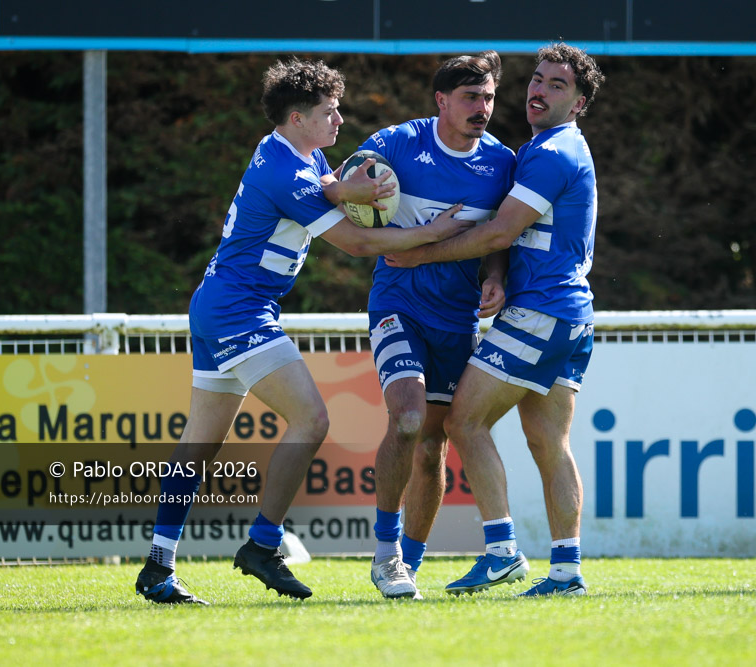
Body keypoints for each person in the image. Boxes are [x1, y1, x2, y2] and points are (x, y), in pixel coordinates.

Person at [134, 57, 473, 605]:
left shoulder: (299, 153)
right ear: (297, 117)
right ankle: (262, 544)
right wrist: (434, 232)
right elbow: (358, 244)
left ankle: (157, 567)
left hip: (220, 303)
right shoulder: (283, 170)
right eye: (329, 112)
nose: (340, 122)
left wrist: (343, 191)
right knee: (312, 418)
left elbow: (324, 187)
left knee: (199, 444)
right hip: (238, 310)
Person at [385, 42, 606, 596]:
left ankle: (503, 550)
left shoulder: (552, 153)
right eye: (537, 79)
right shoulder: (545, 148)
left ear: (579, 104)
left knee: (463, 421)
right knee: (548, 442)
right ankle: (567, 571)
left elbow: (500, 230)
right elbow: (509, 240)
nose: (540, 89)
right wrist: (498, 275)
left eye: (558, 85)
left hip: (542, 312)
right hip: (570, 314)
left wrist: (418, 252)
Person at [354, 52, 516, 599]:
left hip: (458, 320)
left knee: (430, 447)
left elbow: (500, 233)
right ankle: (385, 555)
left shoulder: (500, 162)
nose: (483, 108)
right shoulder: (398, 143)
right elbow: (345, 184)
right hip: (398, 305)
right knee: (406, 419)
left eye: (489, 97)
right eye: (471, 97)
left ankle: (411, 567)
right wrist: (360, 188)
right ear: (441, 100)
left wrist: (495, 276)